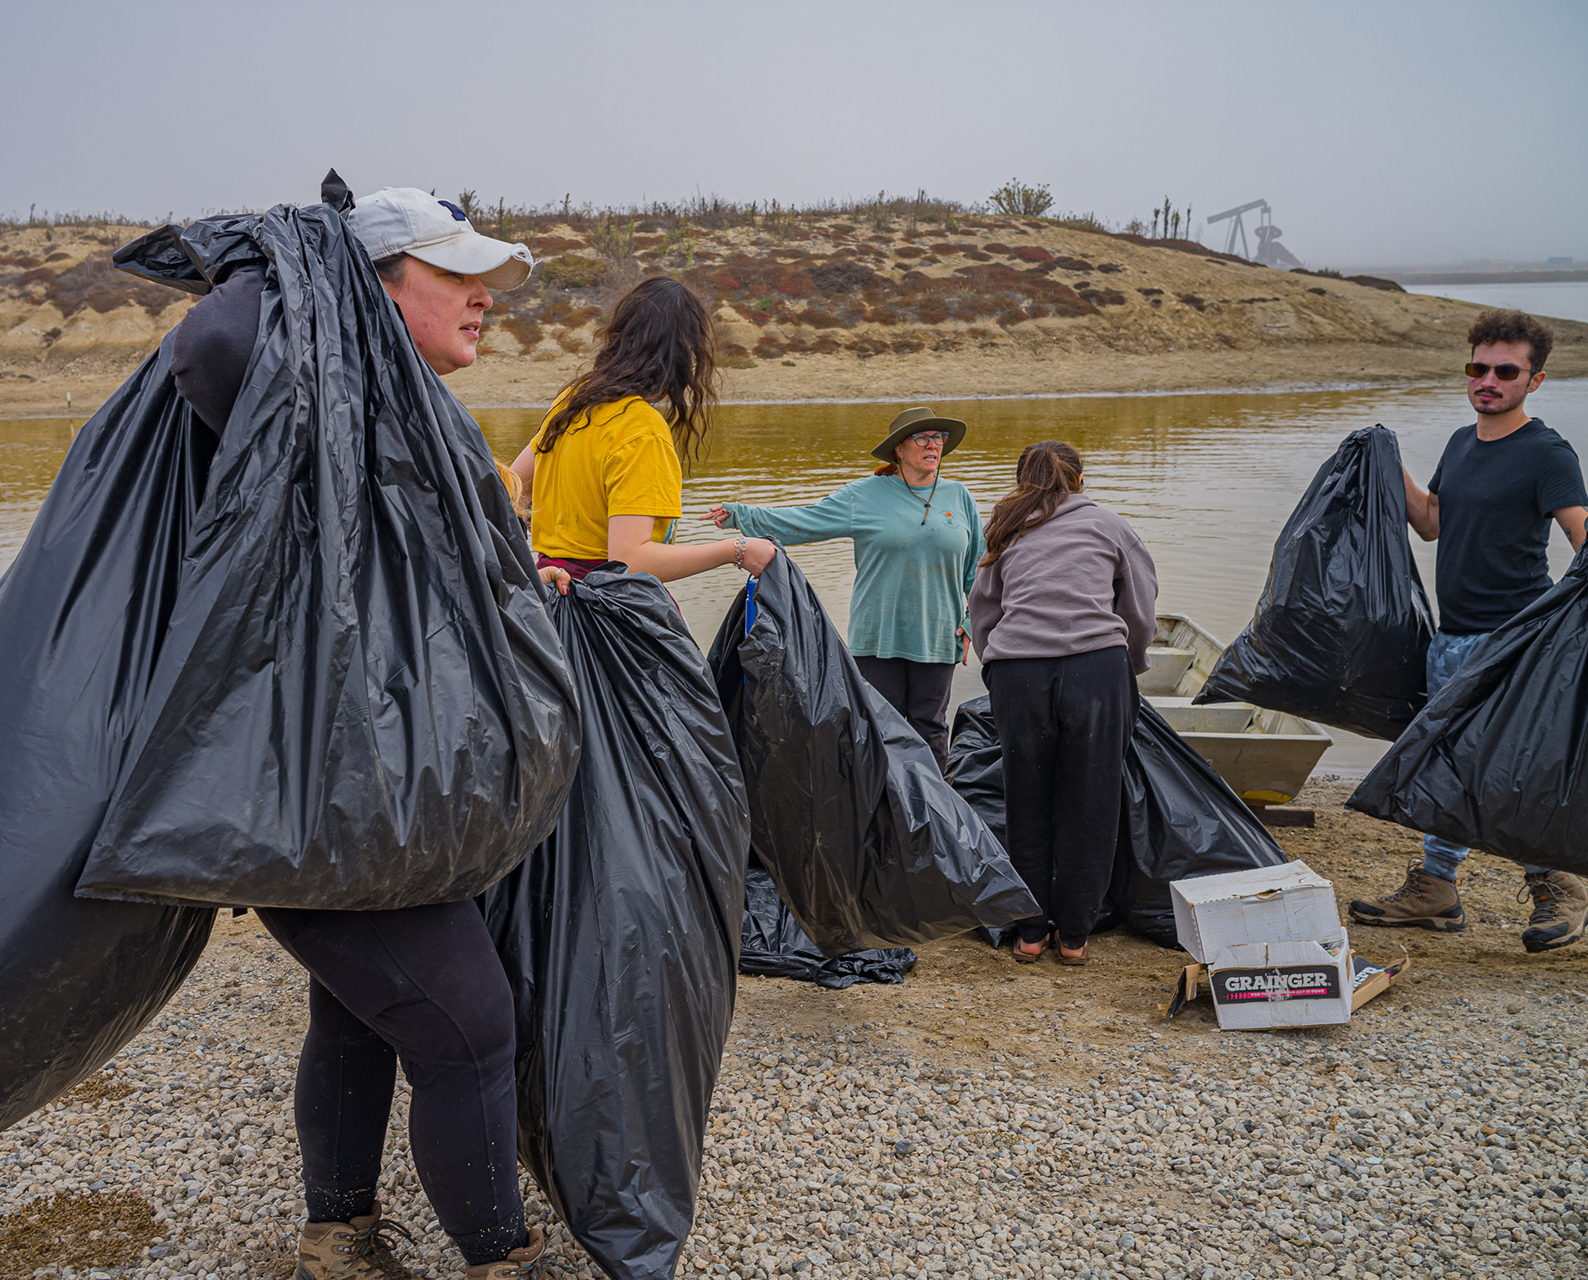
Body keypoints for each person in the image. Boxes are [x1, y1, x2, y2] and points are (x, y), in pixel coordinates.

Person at [172, 181, 553, 1280]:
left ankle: (336, 1235)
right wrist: (311, 253)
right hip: (320, 799)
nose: (486, 300)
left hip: (376, 794)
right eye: (457, 276)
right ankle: (499, 1255)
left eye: (489, 280)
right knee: (471, 1030)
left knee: (359, 1012)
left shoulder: (390, 414)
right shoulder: (302, 395)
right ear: (376, 288)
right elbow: (209, 347)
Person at [1349, 309, 1588, 954]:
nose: (1488, 380)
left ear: (1533, 381)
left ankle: (1557, 885)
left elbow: (1582, 536)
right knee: (1449, 761)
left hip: (1513, 636)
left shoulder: (1547, 452)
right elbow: (1431, 522)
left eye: (1505, 371)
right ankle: (1437, 887)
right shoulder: (1462, 442)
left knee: (1516, 765)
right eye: (1478, 368)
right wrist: (1387, 458)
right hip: (1453, 636)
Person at [707, 407, 984, 769]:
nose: (933, 445)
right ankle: (887, 815)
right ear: (899, 449)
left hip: (937, 635)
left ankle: (937, 817)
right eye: (923, 437)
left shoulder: (959, 497)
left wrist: (970, 619)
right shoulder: (865, 495)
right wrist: (741, 516)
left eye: (939, 438)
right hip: (878, 636)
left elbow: (978, 568)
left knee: (931, 728)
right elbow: (807, 520)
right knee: (881, 730)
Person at [967, 441, 1157, 965]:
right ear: (1078, 478)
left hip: (1018, 673)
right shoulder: (1110, 526)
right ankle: (1073, 936)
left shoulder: (1004, 528)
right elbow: (1139, 607)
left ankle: (1030, 932)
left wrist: (996, 665)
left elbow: (982, 612)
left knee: (1025, 798)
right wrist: (1130, 663)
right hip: (1096, 670)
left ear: (1020, 477)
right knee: (1092, 801)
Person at [510, 275, 778, 591]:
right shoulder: (642, 429)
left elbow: (512, 488)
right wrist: (737, 550)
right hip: (607, 610)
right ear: (687, 351)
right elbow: (629, 561)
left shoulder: (572, 399)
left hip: (551, 595)